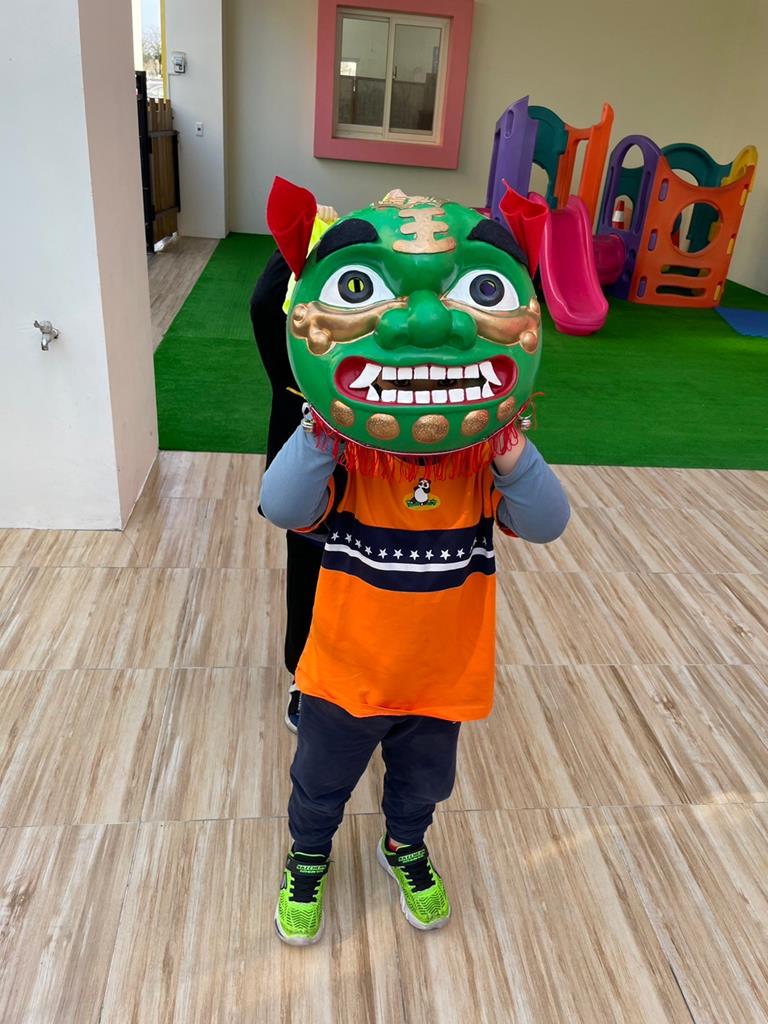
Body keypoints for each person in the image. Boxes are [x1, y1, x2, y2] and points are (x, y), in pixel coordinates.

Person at [260, 184, 569, 946]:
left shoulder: (478, 467)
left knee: (424, 784)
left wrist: (509, 449)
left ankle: (404, 845)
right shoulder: (351, 464)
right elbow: (282, 504)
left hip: (439, 678)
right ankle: (308, 856)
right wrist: (324, 426)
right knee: (320, 782)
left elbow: (548, 522)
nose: (428, 326)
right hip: (345, 675)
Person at [249, 206, 338, 731]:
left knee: (368, 576)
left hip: (379, 479)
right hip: (312, 473)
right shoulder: (293, 356)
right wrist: (297, 254)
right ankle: (304, 675)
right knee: (309, 568)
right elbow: (265, 304)